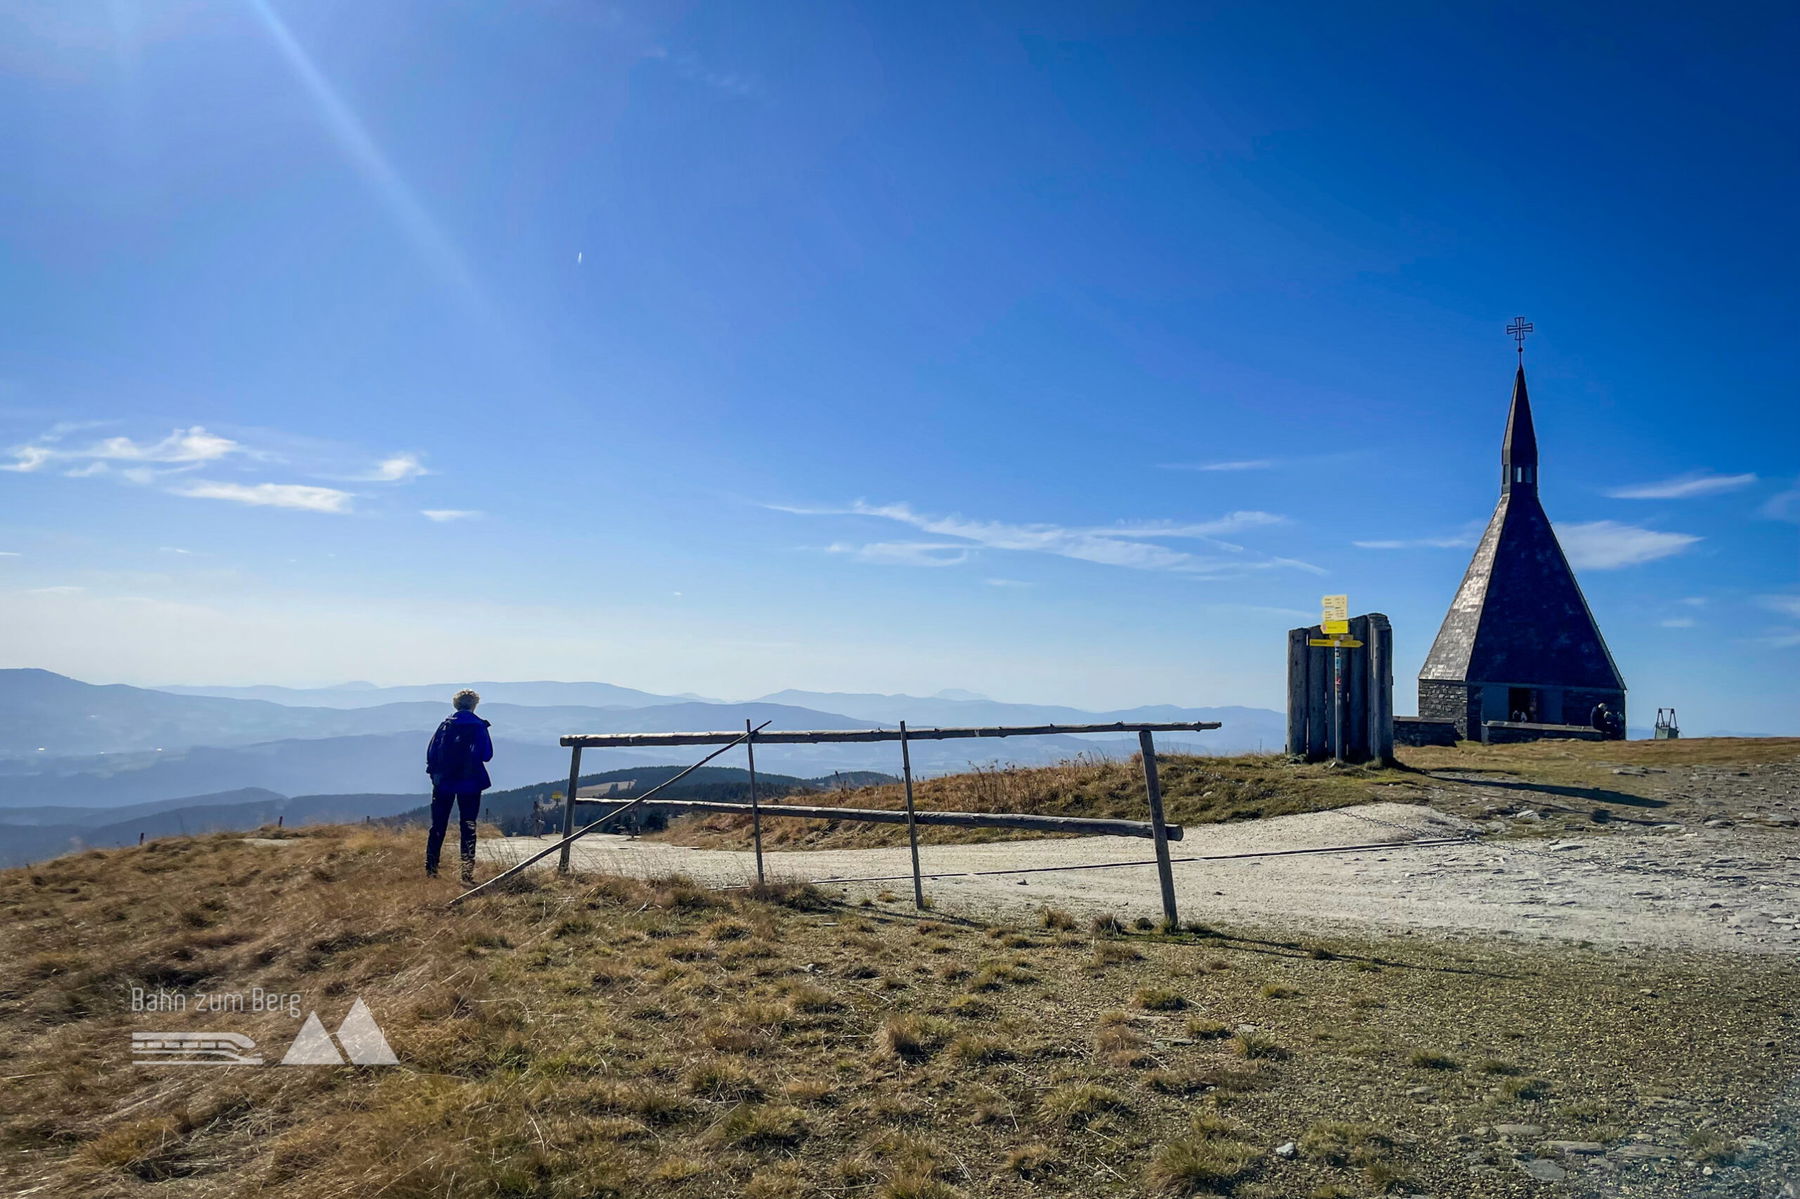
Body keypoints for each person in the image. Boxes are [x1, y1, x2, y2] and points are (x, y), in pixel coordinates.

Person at [425, 689, 494, 883]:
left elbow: (431, 753)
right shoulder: (479, 726)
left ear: (456, 705)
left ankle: (431, 869)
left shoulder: (445, 725)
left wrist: (436, 775)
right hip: (471, 782)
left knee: (438, 825)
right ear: (474, 705)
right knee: (468, 825)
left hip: (444, 781)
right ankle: (466, 871)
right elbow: (487, 755)